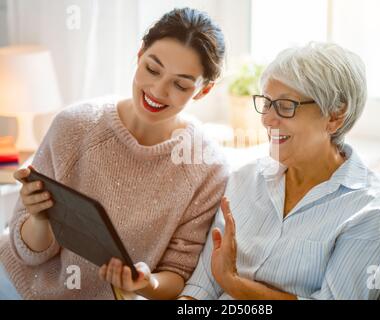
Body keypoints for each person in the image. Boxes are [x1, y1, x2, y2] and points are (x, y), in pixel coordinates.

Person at [0, 7, 228, 300]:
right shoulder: (74, 126)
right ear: (139, 55)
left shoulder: (207, 168)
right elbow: (27, 254)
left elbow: (178, 275)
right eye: (152, 69)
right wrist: (39, 218)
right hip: (18, 284)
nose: (158, 90)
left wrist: (144, 283)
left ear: (203, 91)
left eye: (180, 84)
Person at [179, 42, 380, 300]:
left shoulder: (367, 211)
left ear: (335, 116)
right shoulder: (245, 180)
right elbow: (201, 287)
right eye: (267, 103)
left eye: (285, 106)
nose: (268, 119)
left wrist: (234, 283)